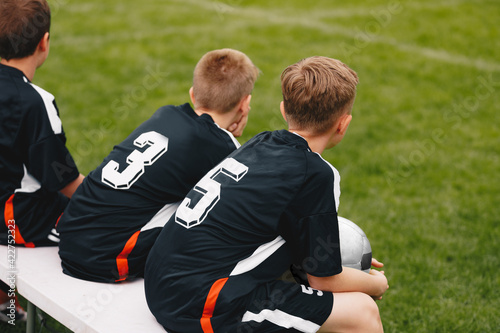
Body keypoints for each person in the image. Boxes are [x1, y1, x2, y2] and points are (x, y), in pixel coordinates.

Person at [144, 56, 389, 333]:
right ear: (343, 124)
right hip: (198, 304)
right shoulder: (317, 174)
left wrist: (339, 257)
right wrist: (374, 283)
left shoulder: (261, 141)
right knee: (362, 312)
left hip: (162, 282)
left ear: (284, 110)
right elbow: (323, 280)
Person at [57, 48, 259, 283]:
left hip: (71, 235)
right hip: (105, 260)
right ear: (245, 105)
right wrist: (232, 143)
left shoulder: (165, 115)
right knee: (210, 220)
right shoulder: (223, 150)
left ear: (193, 95)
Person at [0, 0, 85, 322]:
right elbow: (60, 178)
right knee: (105, 230)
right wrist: (104, 202)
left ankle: (5, 303)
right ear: (44, 42)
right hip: (15, 222)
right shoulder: (36, 102)